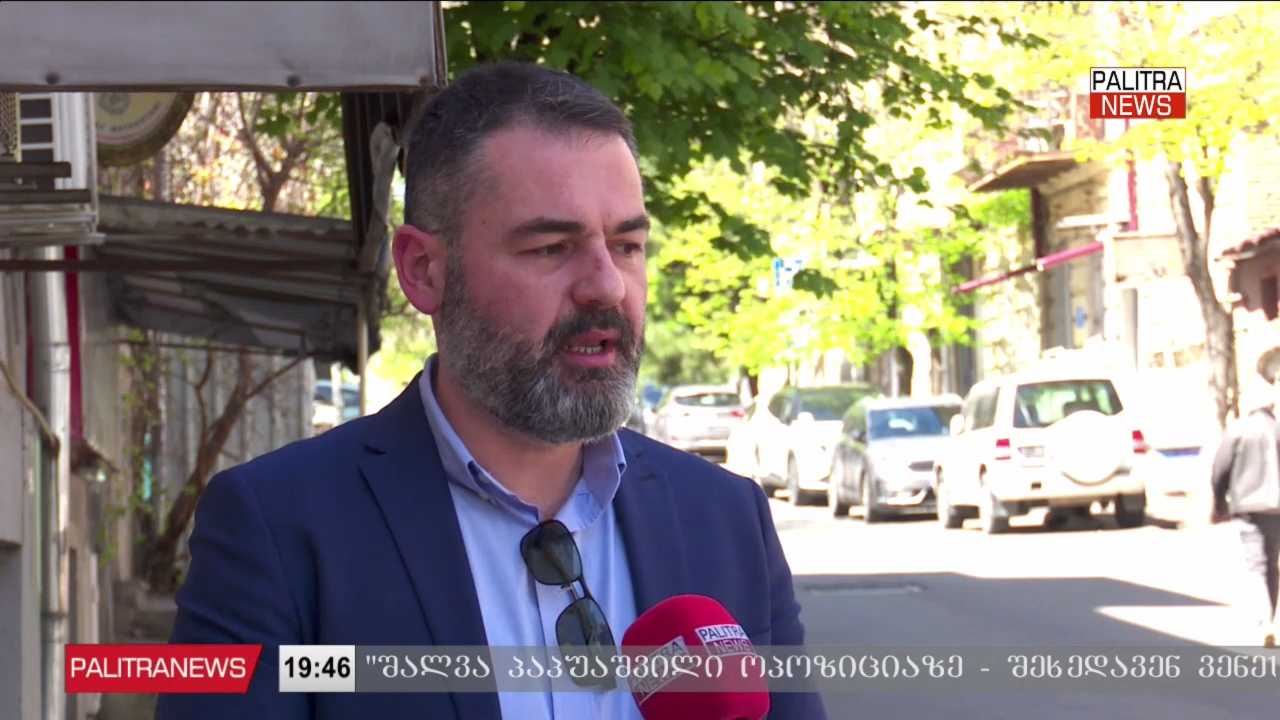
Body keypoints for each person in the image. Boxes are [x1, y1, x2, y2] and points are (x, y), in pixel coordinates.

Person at [157, 62, 825, 719]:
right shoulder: (279, 528)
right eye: (551, 248)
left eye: (627, 246)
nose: (607, 286)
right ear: (423, 270)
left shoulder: (726, 519)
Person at [1210, 348, 1280, 649]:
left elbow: (1220, 470)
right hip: (1276, 508)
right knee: (1271, 564)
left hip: (1247, 509)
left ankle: (1264, 622)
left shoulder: (1239, 429)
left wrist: (1218, 505)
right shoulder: (1277, 430)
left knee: (1256, 565)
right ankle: (1270, 619)